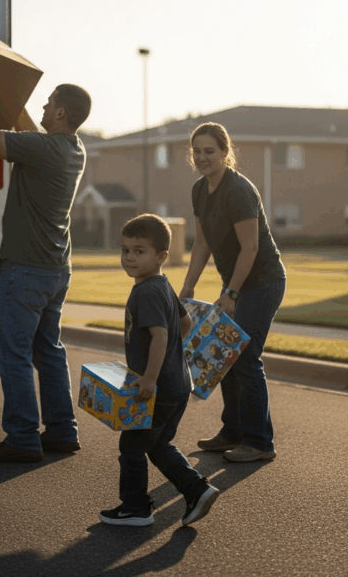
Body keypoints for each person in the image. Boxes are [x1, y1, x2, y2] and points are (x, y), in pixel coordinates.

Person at [0, 66, 91, 463]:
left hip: (26, 269)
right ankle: (61, 431)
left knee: (12, 354)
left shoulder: (42, 150)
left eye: (49, 103)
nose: (43, 107)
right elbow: (26, 126)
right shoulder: (72, 148)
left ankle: (23, 437)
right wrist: (9, 95)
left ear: (60, 113)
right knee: (49, 351)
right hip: (56, 269)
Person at [99, 214, 220, 527]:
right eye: (125, 250)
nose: (129, 257)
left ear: (161, 256)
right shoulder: (162, 285)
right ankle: (196, 489)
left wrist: (150, 376)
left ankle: (136, 508)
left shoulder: (147, 292)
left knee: (132, 447)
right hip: (178, 384)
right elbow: (185, 322)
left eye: (139, 251)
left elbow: (161, 334)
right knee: (157, 445)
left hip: (157, 388)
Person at [180, 122, 286, 463]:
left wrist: (231, 293)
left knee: (245, 356)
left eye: (209, 151)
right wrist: (188, 285)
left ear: (226, 153)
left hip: (263, 282)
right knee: (227, 355)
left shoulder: (238, 191)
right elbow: (202, 242)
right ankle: (233, 431)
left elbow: (251, 247)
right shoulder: (200, 190)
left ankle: (259, 442)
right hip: (238, 284)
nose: (202, 157)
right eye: (196, 151)